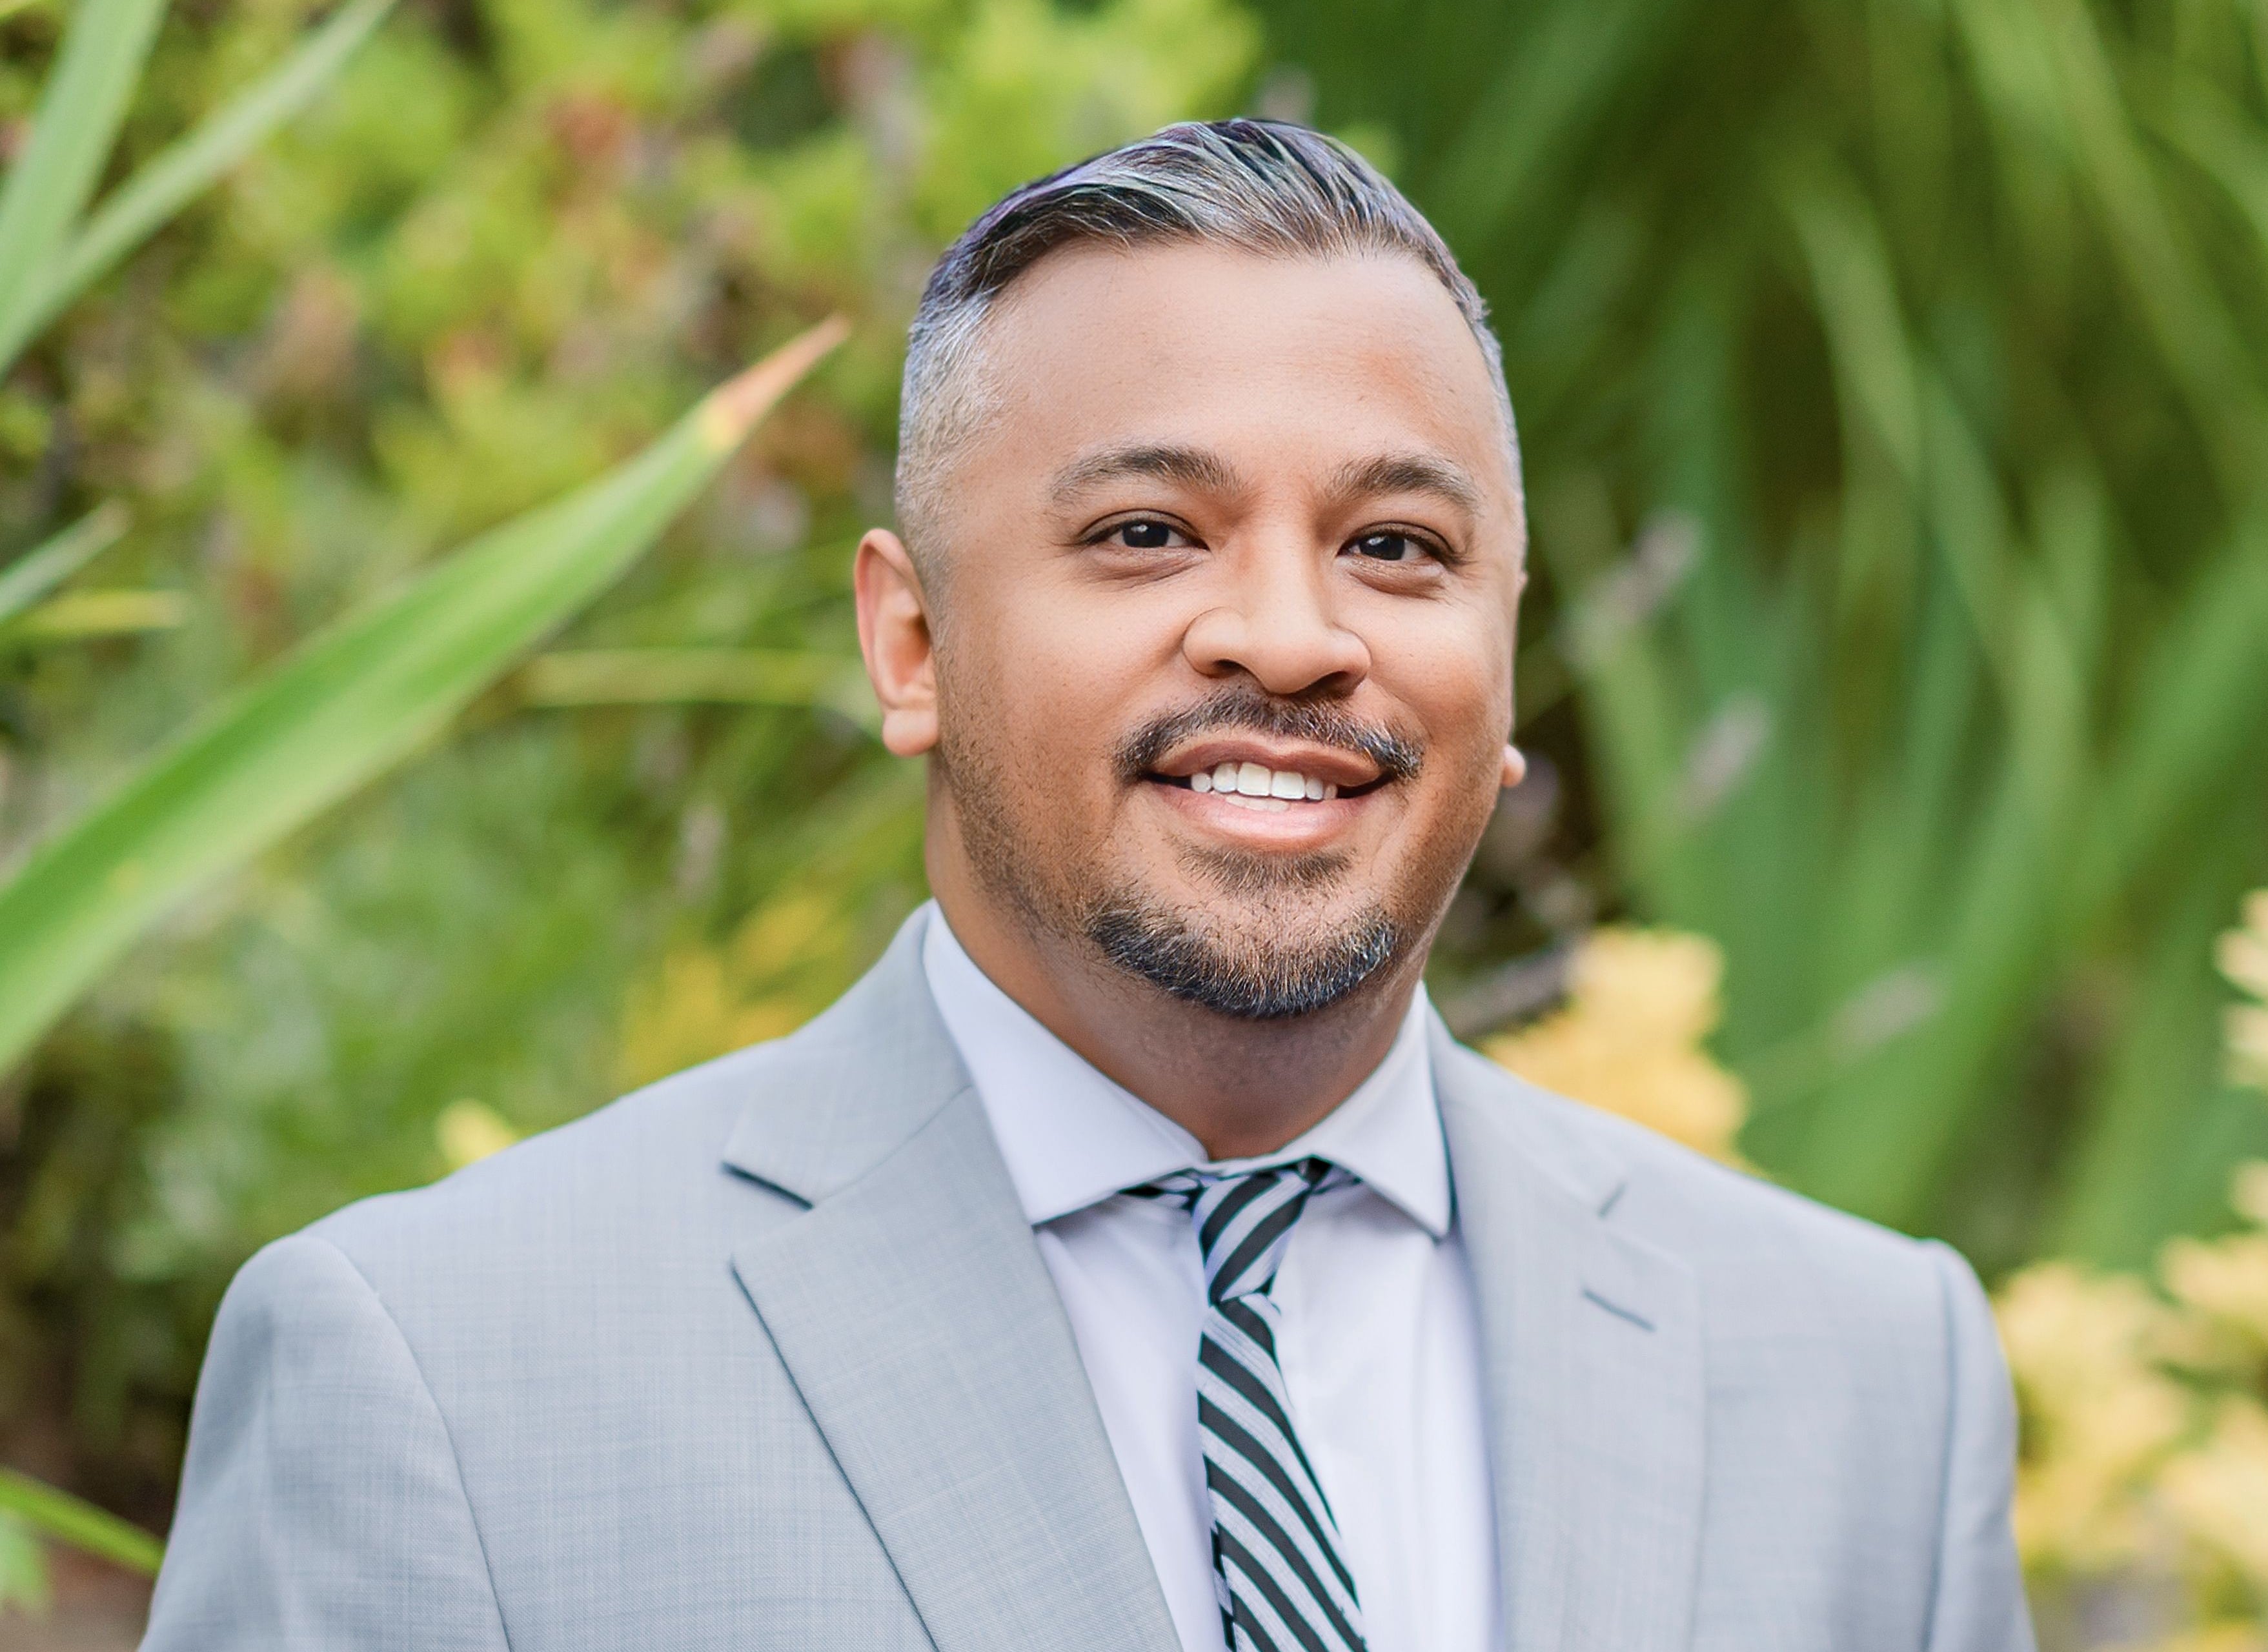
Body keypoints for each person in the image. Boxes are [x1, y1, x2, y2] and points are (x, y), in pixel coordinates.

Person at [142, 120, 2032, 1652]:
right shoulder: (442, 1382)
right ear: (911, 645)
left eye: (1396, 544)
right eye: (1146, 533)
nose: (1292, 636)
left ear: (1509, 654)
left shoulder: (1871, 1384)